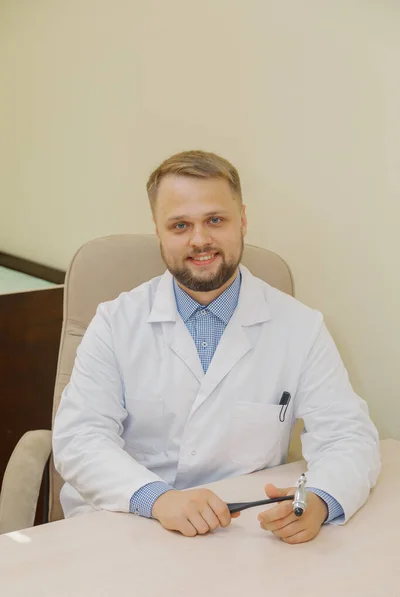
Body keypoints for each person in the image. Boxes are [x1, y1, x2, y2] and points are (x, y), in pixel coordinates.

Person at [53, 150, 380, 544]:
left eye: (215, 220)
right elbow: (80, 438)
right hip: (124, 525)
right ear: (158, 231)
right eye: (179, 225)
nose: (200, 240)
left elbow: (347, 436)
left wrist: (322, 500)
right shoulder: (114, 322)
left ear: (242, 220)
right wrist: (157, 499)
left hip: (241, 534)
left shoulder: (300, 326)